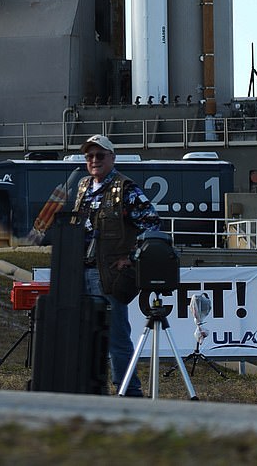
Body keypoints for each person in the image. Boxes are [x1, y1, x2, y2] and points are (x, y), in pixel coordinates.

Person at [70, 135, 160, 396]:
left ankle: (128, 391)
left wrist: (131, 258)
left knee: (116, 338)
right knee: (87, 336)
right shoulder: (83, 186)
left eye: (100, 155)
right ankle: (93, 389)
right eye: (90, 156)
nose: (94, 160)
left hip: (109, 275)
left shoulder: (126, 189)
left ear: (112, 157)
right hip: (81, 270)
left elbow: (152, 225)